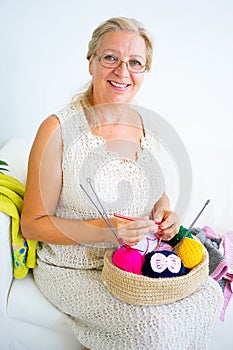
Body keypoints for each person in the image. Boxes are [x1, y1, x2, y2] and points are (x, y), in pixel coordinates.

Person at [21, 17, 223, 350]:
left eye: (135, 62)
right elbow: (32, 224)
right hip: (74, 268)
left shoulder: (147, 125)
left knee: (209, 295)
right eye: (111, 58)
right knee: (148, 330)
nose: (122, 71)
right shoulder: (58, 129)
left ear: (144, 72)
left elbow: (154, 192)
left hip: (134, 263)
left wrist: (165, 210)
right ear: (91, 63)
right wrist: (101, 230)